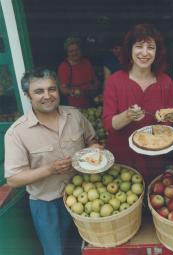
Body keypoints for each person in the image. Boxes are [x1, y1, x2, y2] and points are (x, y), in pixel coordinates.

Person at [4, 68, 102, 255]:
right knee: (56, 252)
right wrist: (50, 169)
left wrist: (94, 147)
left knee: (88, 248)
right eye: (39, 91)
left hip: (88, 195)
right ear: (27, 96)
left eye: (52, 89)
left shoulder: (75, 116)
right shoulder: (17, 133)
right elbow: (13, 179)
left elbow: (91, 139)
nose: (47, 96)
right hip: (48, 206)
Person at [102, 24, 173, 184]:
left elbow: (168, 122)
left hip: (154, 157)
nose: (144, 52)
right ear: (129, 50)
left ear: (157, 52)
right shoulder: (114, 81)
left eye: (150, 47)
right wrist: (128, 115)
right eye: (139, 46)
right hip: (122, 158)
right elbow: (108, 124)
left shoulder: (166, 82)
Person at [58, 36, 98, 108]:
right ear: (67, 53)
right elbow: (63, 89)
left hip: (91, 101)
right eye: (71, 51)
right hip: (75, 105)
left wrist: (95, 87)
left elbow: (94, 79)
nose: (75, 53)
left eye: (77, 50)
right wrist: (74, 92)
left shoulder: (86, 62)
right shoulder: (64, 66)